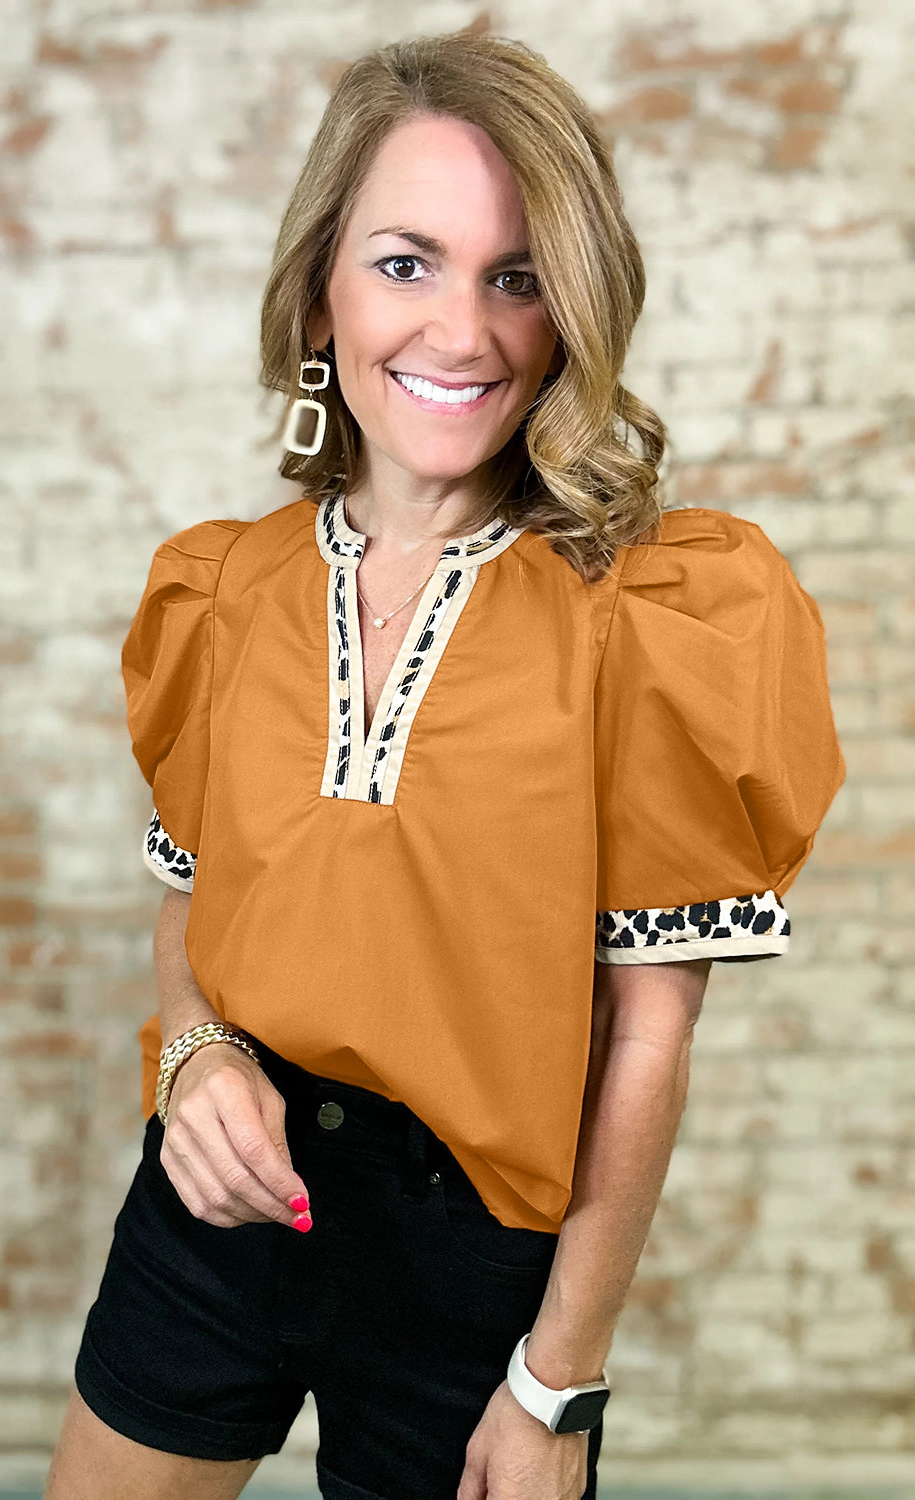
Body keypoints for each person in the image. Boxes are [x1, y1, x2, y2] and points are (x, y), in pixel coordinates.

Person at [45, 29, 846, 1500]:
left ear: (573, 309)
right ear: (320, 289)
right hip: (221, 1203)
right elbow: (196, 902)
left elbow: (645, 1039)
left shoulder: (651, 620)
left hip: (478, 1277)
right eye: (406, 263)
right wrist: (194, 1053)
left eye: (517, 277)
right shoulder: (223, 592)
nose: (462, 332)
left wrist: (556, 1381)